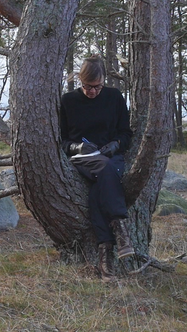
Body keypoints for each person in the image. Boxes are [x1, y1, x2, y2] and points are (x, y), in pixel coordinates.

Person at [59, 55, 134, 281]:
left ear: (104, 81)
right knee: (105, 169)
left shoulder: (114, 97)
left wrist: (116, 145)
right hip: (83, 158)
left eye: (97, 87)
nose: (92, 91)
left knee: (97, 193)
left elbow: (126, 133)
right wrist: (76, 146)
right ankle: (120, 227)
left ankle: (105, 254)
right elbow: (61, 140)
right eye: (87, 86)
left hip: (111, 156)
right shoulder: (68, 101)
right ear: (80, 80)